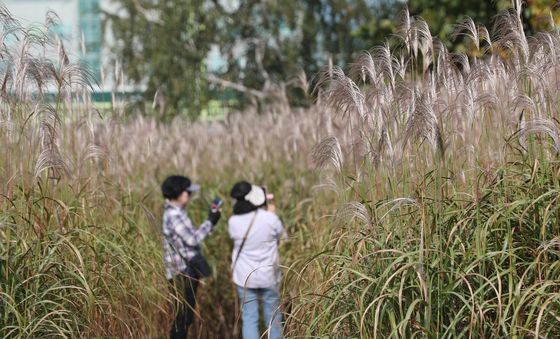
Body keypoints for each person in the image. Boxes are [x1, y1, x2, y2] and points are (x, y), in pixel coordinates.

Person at [161, 175, 221, 339]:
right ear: (179, 193)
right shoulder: (174, 215)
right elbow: (192, 239)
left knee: (184, 318)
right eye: (188, 192)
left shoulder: (175, 212)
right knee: (182, 318)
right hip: (182, 273)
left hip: (181, 271)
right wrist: (210, 221)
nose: (190, 195)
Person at [228, 181, 287, 339]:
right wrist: (270, 212)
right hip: (269, 275)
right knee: (273, 317)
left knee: (249, 319)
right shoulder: (269, 218)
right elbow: (283, 237)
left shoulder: (233, 221)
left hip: (244, 277)